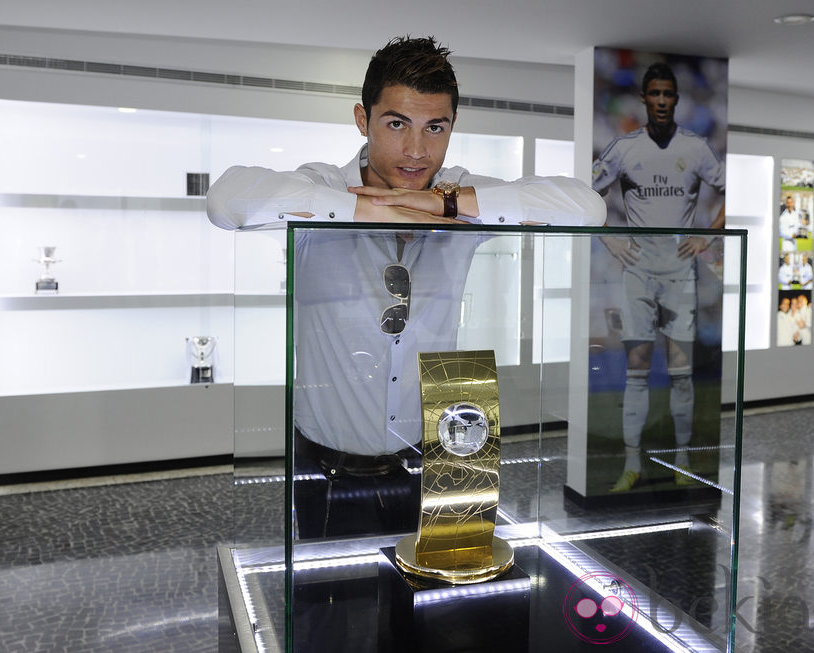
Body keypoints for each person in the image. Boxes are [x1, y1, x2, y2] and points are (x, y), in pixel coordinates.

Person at [207, 36, 605, 538]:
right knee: (321, 609)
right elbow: (225, 201)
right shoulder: (324, 187)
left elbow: (587, 208)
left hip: (441, 460)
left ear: (451, 127)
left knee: (434, 609)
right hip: (325, 465)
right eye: (397, 124)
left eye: (434, 128)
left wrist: (448, 206)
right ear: (362, 119)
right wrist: (364, 208)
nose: (417, 150)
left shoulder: (457, 190)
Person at [591, 61, 725, 492]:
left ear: (676, 100)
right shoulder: (624, 148)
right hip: (638, 272)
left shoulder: (697, 148)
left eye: (669, 94)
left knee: (682, 370)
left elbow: (729, 189)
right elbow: (586, 195)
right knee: (637, 365)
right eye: (655, 94)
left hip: (681, 274)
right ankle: (631, 465)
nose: (662, 101)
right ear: (645, 99)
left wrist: (707, 237)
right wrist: (609, 240)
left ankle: (682, 463)